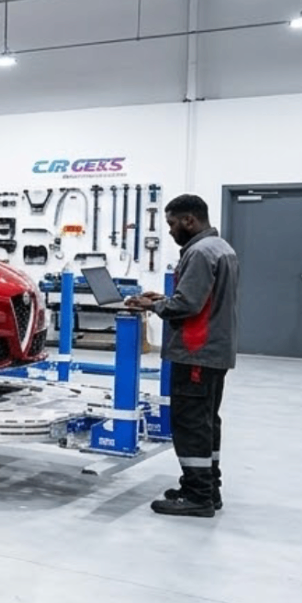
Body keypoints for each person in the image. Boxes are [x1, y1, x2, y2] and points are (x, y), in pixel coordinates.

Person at [125, 194, 239, 518]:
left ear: (189, 220)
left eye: (173, 224)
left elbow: (188, 305)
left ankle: (198, 496)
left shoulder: (200, 253)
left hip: (196, 352)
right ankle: (206, 487)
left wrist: (155, 305)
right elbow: (204, 298)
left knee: (190, 424)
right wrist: (163, 298)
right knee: (205, 421)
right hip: (214, 350)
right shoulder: (220, 248)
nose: (171, 232)